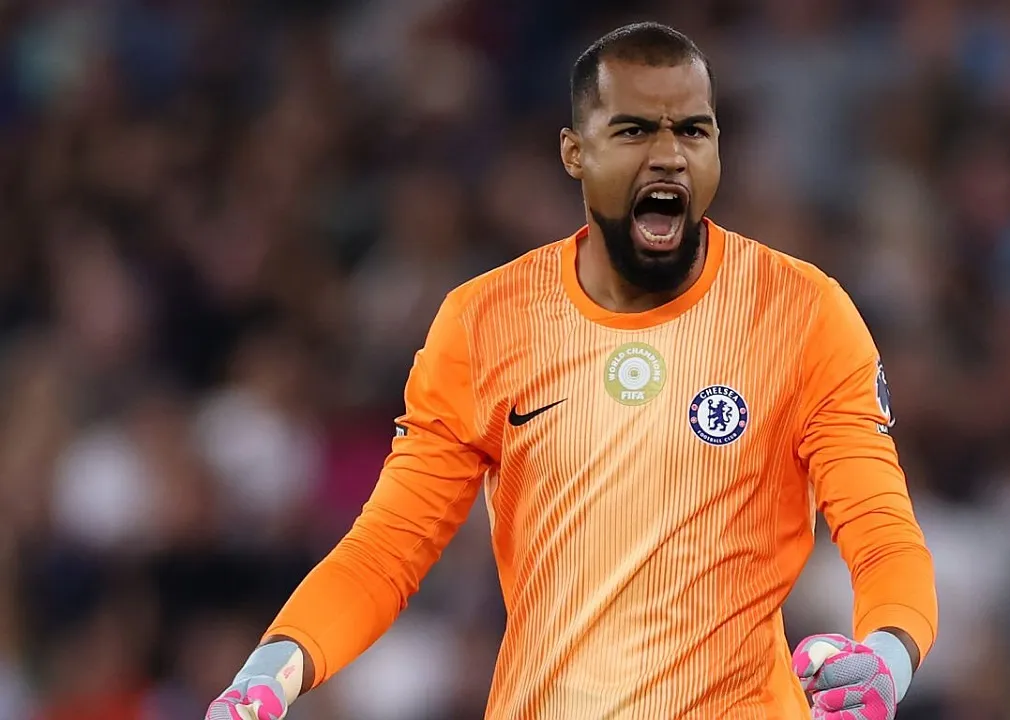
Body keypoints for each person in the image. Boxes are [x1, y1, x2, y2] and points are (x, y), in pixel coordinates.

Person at [206, 22, 937, 720]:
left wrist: (887, 659)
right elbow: (386, 549)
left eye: (693, 130)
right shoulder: (486, 322)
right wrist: (271, 671)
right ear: (573, 152)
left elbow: (881, 531)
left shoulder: (803, 314)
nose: (668, 156)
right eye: (633, 130)